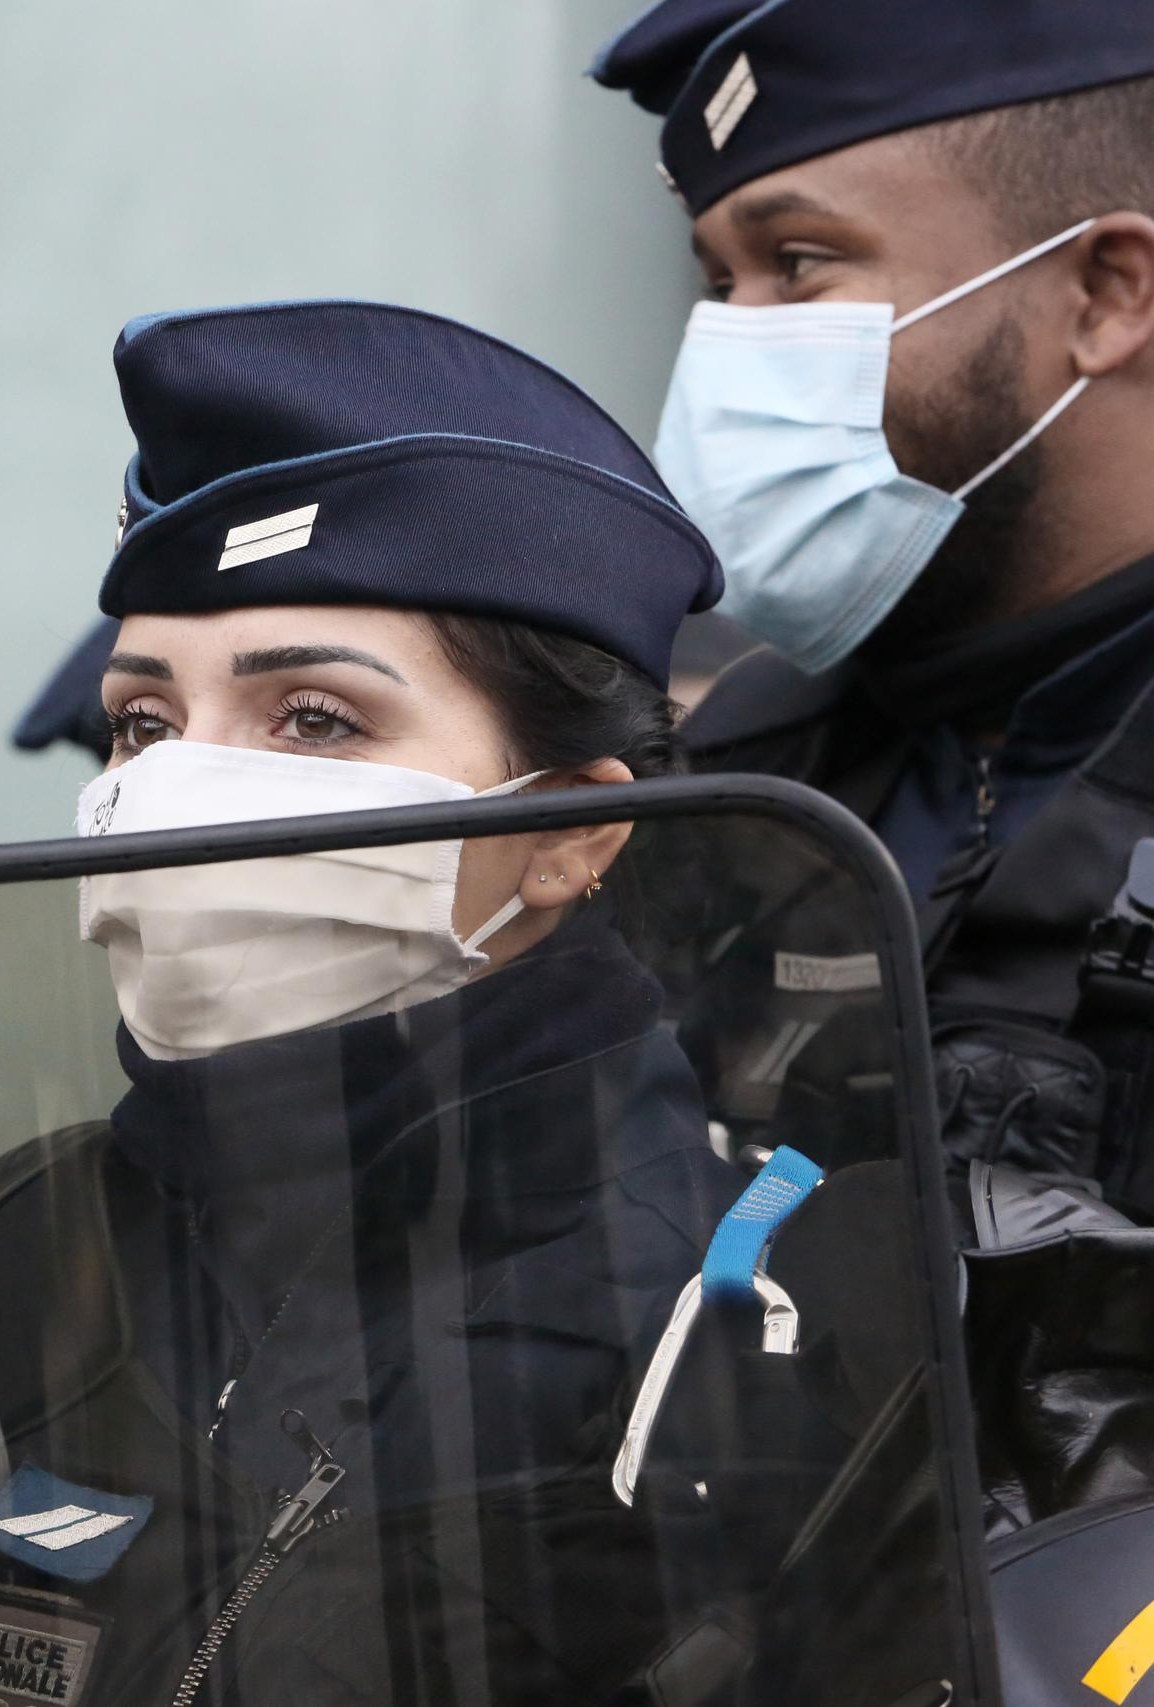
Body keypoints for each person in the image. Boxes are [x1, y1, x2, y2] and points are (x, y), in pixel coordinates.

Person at [0, 301, 812, 1704]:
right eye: (144, 724)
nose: (173, 795)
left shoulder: (722, 1311)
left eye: (314, 720)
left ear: (573, 835)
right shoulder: (11, 1255)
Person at [590, 7, 1154, 1687]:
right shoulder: (740, 773)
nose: (731, 346)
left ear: (1105, 294)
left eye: (801, 264)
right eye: (718, 281)